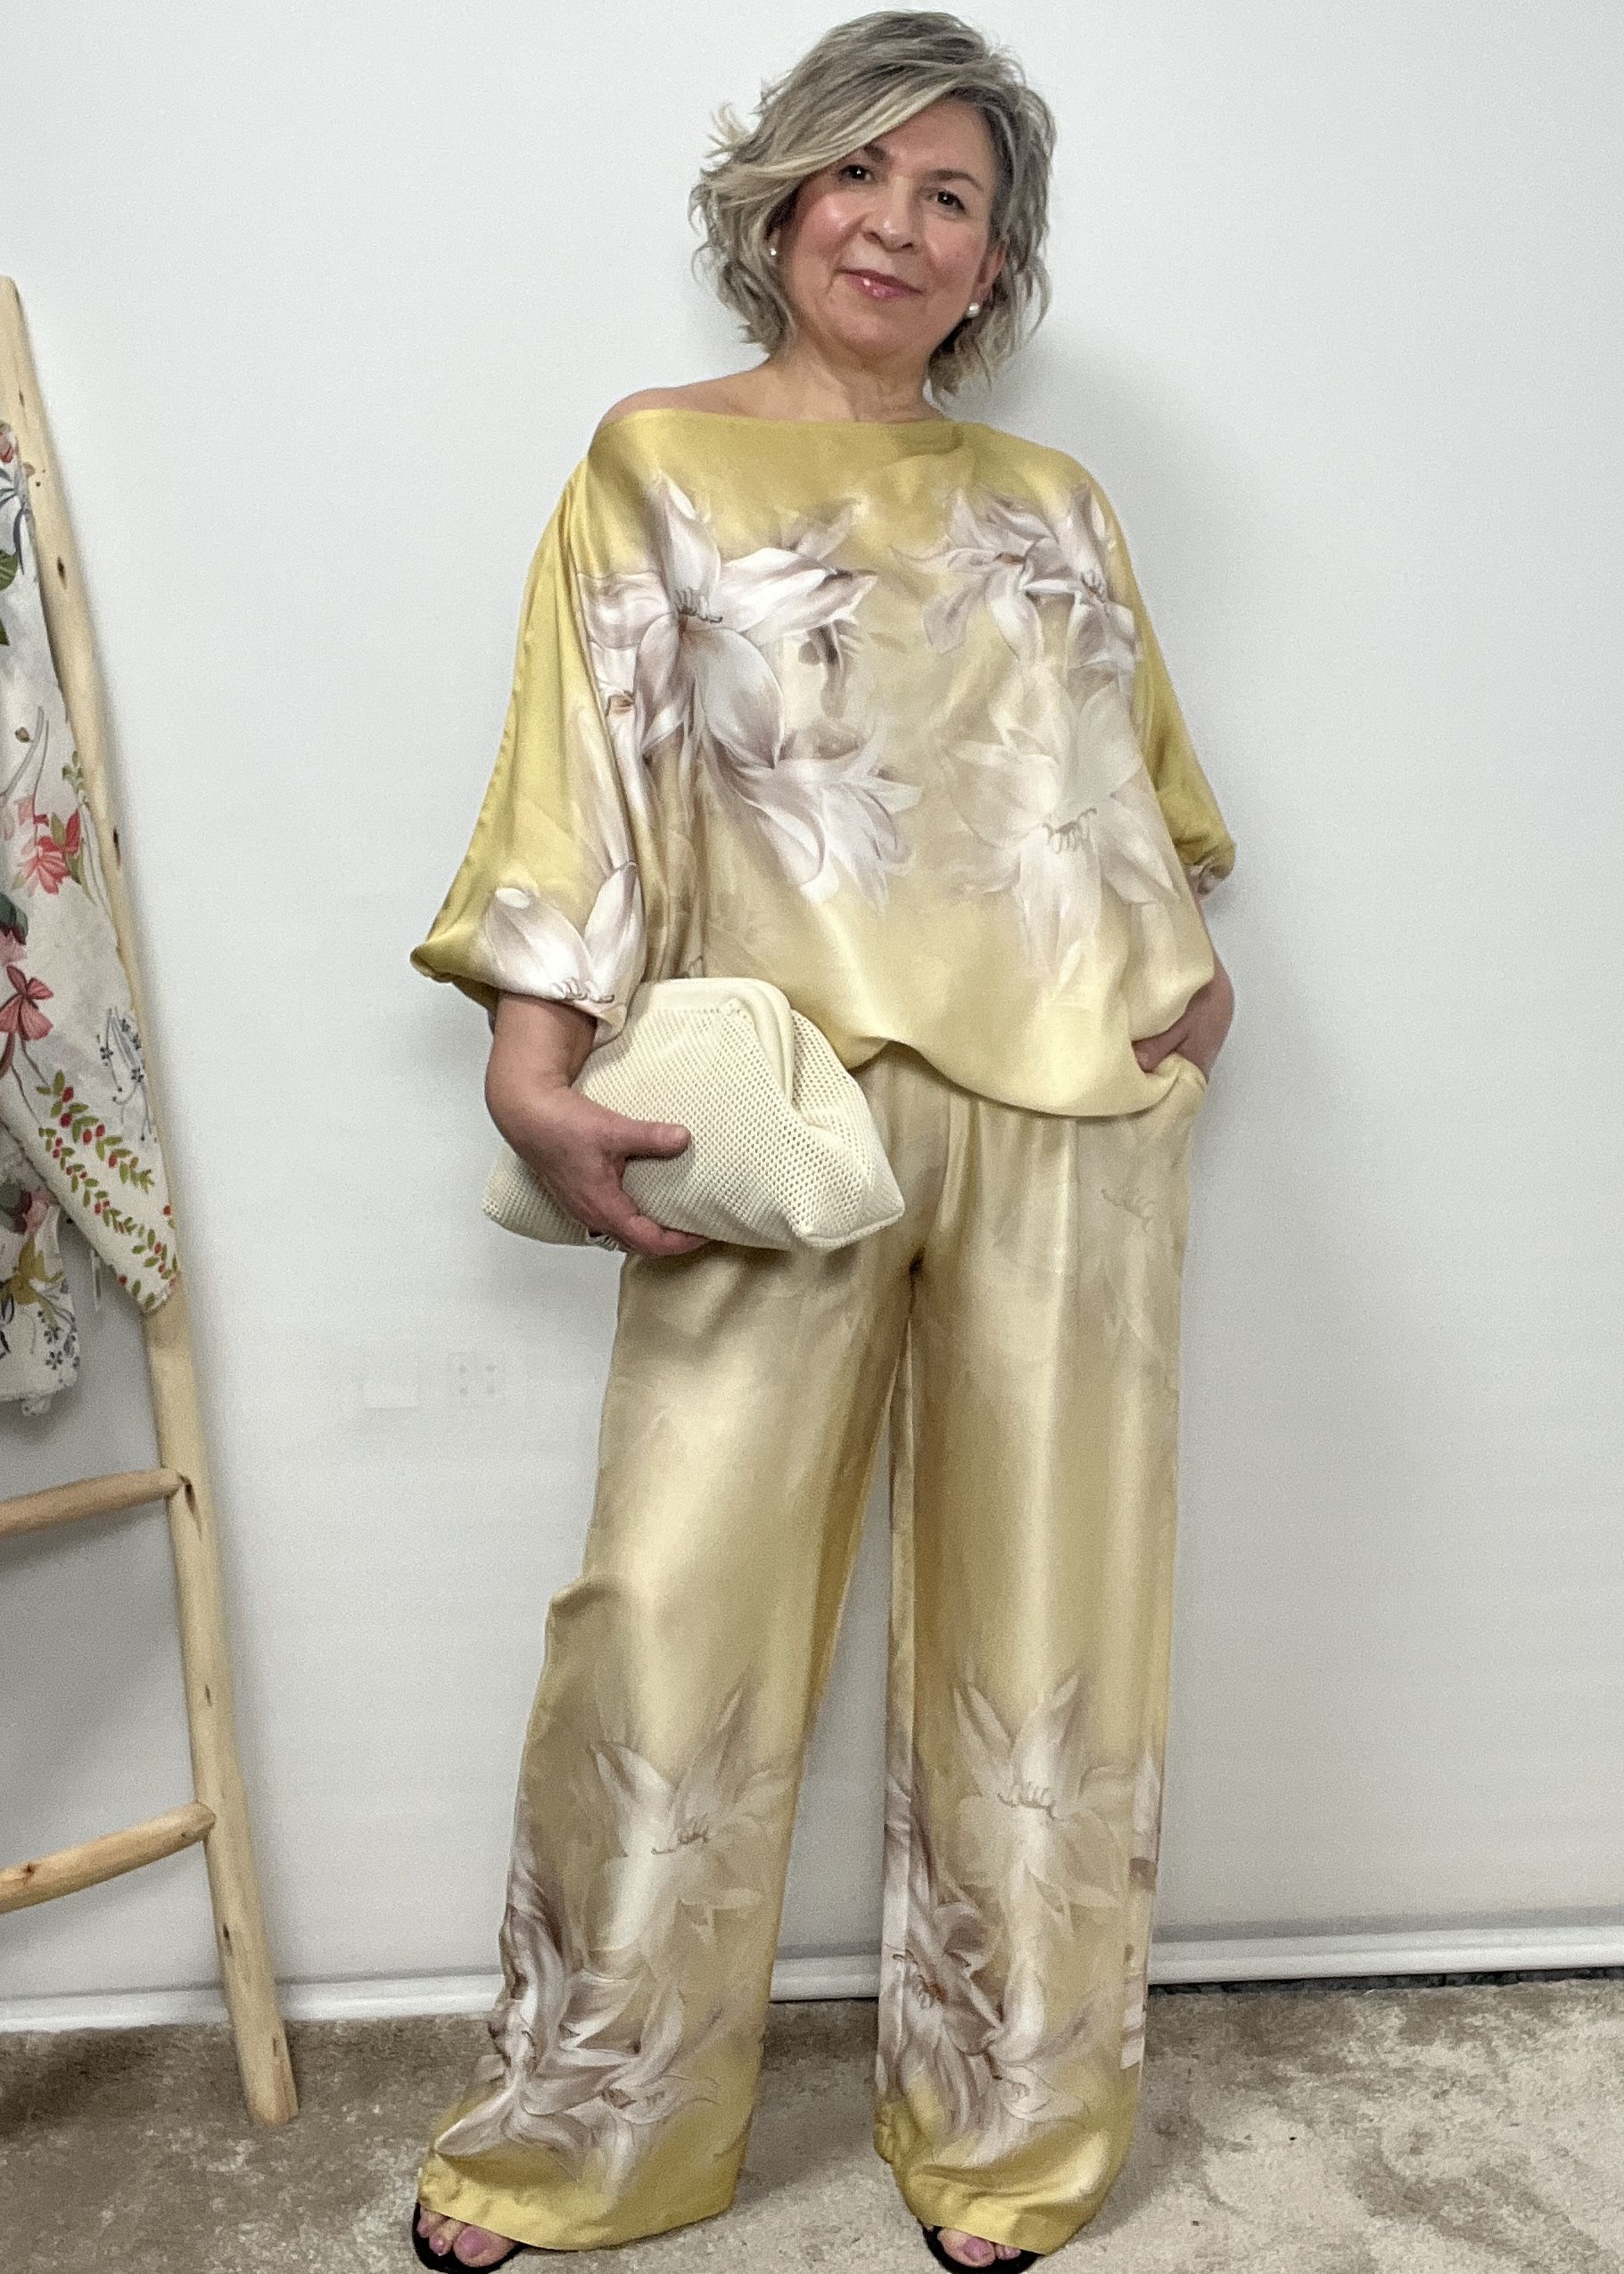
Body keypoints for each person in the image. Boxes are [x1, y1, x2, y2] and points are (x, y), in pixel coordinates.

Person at [406, 11, 1236, 2268]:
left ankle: (1012, 2131)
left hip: (1071, 1114)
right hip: (772, 1104)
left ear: (994, 262)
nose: (894, 222)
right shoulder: (652, 460)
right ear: (775, 201)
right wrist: (531, 1057)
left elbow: (1142, 786)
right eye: (857, 174)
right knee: (669, 1611)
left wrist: (1182, 965)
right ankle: (588, 2126)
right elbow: (583, 774)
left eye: (949, 195)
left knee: (1050, 1632)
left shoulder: (1052, 500)